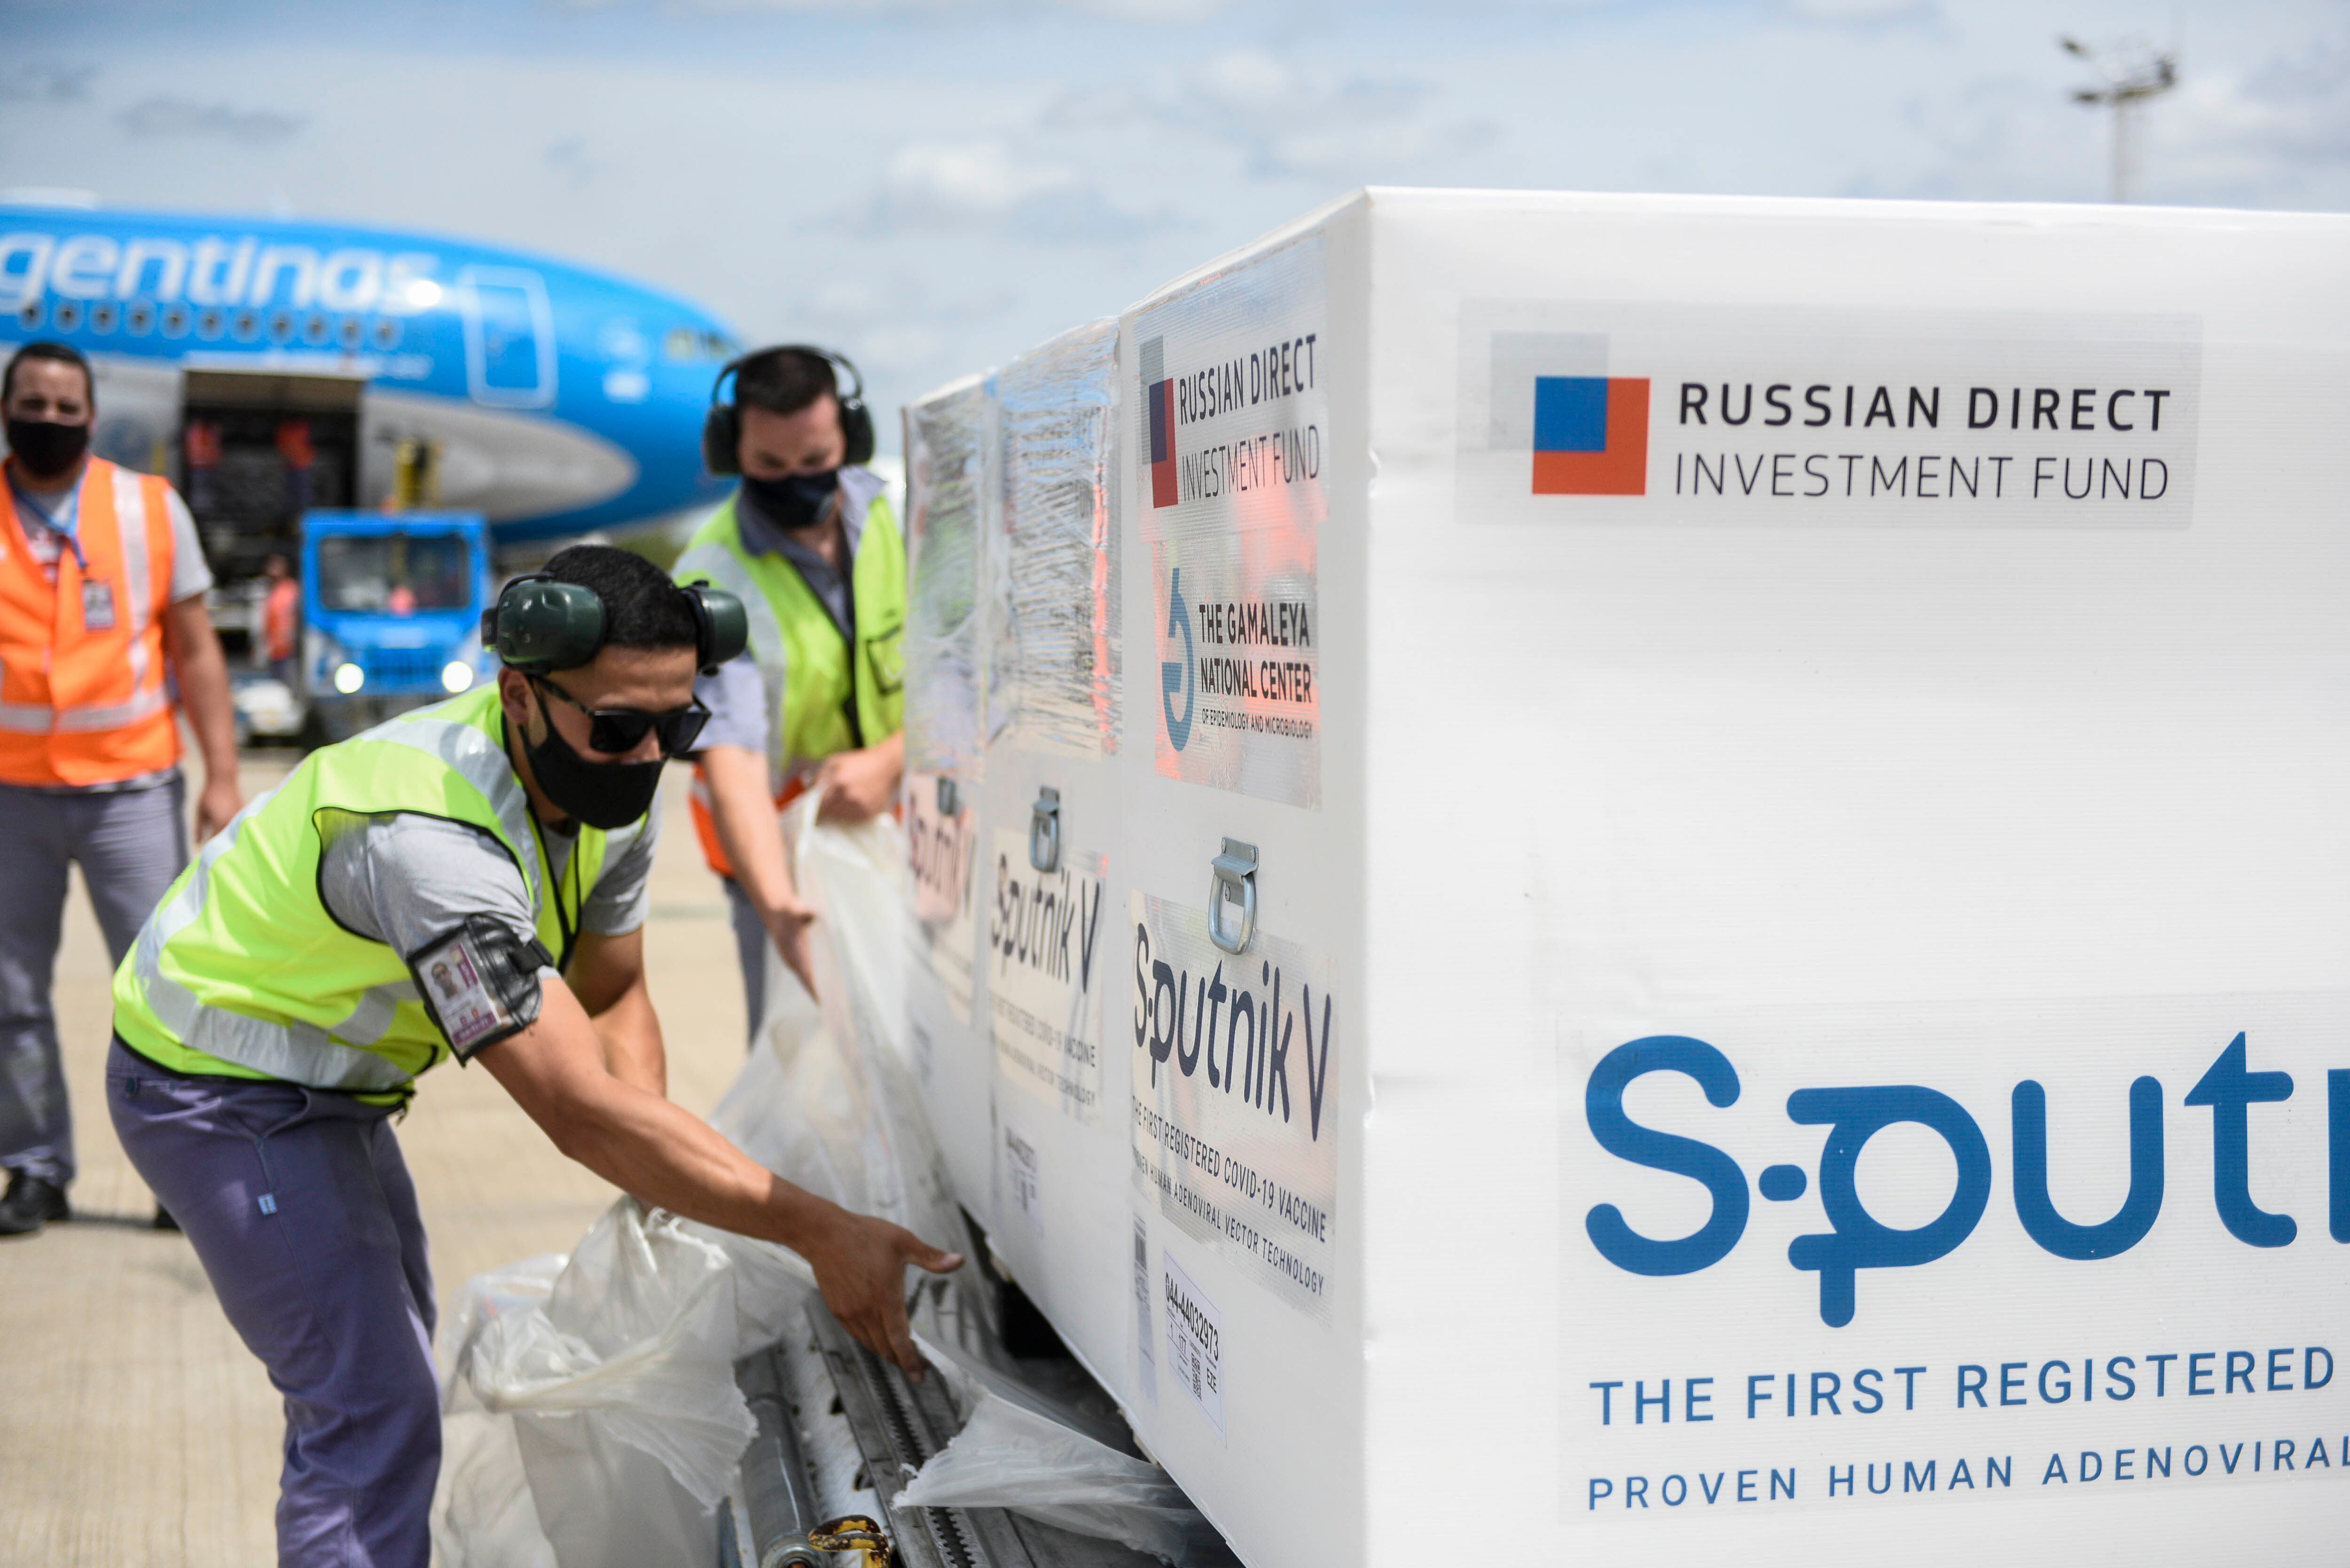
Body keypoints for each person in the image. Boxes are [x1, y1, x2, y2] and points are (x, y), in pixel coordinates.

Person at [106, 545, 960, 1567]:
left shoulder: (603, 790)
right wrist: (818, 1229)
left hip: (335, 1087)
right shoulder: (429, 844)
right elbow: (573, 1106)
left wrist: (663, 1186)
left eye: (675, 725)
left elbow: (613, 993)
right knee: (370, 1405)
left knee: (388, 1367)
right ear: (518, 695)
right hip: (218, 1086)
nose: (648, 754)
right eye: (617, 726)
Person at [0, 340, 242, 1237]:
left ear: (92, 417)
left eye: (67, 406)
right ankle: (33, 1168)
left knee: (162, 984)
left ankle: (181, 1169)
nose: (50, 419)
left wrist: (221, 774)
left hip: (131, 791)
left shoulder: (148, 507)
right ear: (5, 409)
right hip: (10, 795)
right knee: (9, 994)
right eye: (33, 402)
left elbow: (197, 649)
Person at [674, 346, 905, 1035]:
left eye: (814, 460)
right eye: (770, 466)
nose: (796, 482)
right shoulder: (713, 573)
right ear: (730, 452)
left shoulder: (904, 512)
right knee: (801, 1057)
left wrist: (892, 761)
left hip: (911, 828)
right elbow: (735, 755)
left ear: (850, 440)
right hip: (777, 855)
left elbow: (969, 666)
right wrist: (781, 907)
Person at [261, 551, 300, 687]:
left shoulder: (292, 589)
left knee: (288, 687)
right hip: (275, 650)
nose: (272, 569)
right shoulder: (273, 591)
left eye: (276, 566)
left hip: (289, 650)